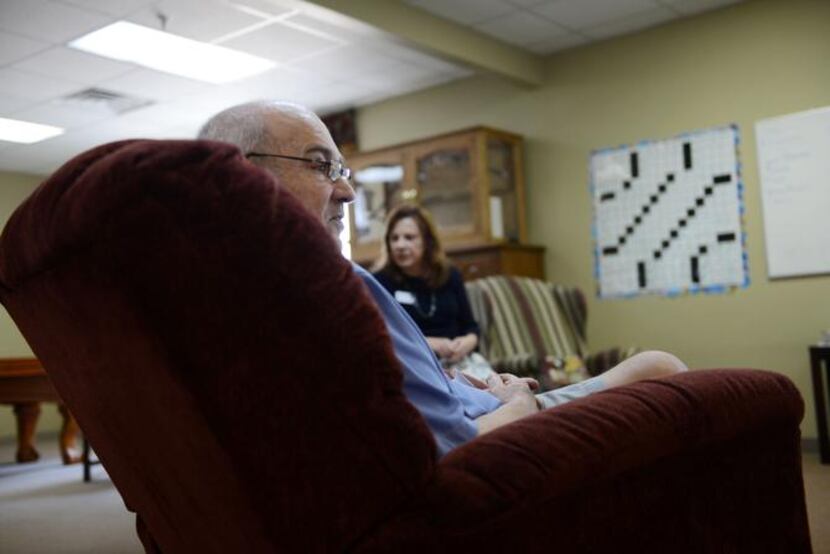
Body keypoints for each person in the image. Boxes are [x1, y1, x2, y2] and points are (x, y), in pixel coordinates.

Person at [197, 101, 689, 457]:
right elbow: (459, 446)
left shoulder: (228, 293)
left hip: (470, 394)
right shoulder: (331, 286)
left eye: (341, 168)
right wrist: (515, 397)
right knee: (659, 367)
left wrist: (448, 379)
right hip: (496, 428)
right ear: (245, 176)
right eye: (321, 165)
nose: (347, 191)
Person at [372, 204, 486, 378]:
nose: (400, 245)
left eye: (409, 237)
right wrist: (430, 343)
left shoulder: (450, 274)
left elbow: (471, 327)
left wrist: (466, 343)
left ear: (427, 241)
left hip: (460, 362)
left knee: (497, 396)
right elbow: (381, 335)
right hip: (413, 364)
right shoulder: (380, 281)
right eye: (394, 238)